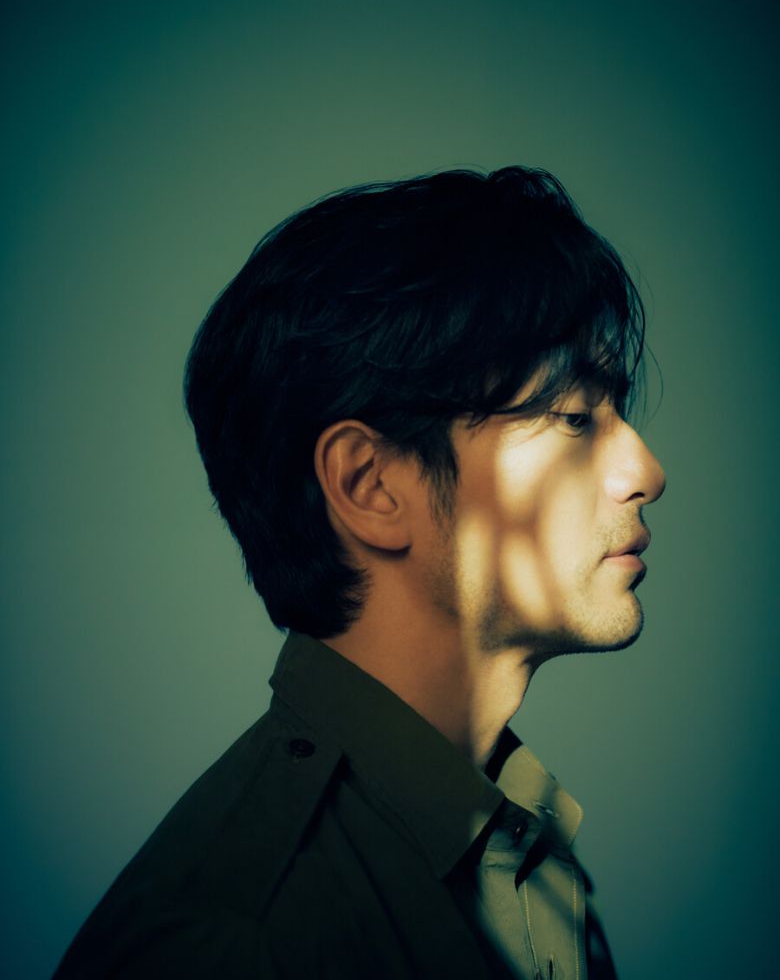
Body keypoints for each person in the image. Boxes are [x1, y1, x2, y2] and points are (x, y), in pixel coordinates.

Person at [52, 166, 666, 979]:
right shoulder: (233, 940)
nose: (646, 471)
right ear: (370, 485)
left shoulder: (528, 863)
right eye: (575, 416)